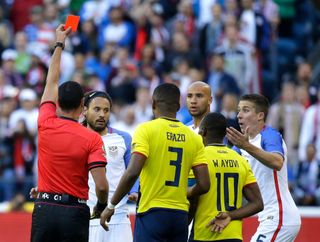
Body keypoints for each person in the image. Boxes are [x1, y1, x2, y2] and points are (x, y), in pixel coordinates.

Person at [100, 83, 211, 242]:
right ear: (179, 106)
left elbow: (132, 172)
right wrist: (184, 192)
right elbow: (204, 184)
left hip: (152, 212)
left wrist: (111, 205)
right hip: (179, 215)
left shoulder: (146, 130)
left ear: (153, 105)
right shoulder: (194, 137)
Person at [30, 25, 109, 242]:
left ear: (57, 103)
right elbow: (101, 186)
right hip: (74, 211)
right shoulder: (91, 138)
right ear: (83, 105)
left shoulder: (45, 121)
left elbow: (51, 81)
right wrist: (101, 205)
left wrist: (59, 43)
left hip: (44, 207)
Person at [226, 94, 301, 242]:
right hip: (268, 217)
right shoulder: (240, 146)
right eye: (239, 110)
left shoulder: (269, 135)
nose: (239, 115)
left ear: (260, 115)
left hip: (279, 217)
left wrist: (246, 146)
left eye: (245, 110)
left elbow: (277, 162)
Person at [190, 112, 263, 242]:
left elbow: (193, 199)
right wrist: (230, 215)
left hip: (204, 233)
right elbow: (257, 204)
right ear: (224, 134)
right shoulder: (240, 160)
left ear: (203, 132)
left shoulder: (199, 158)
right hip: (232, 235)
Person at [82, 90, 139, 242]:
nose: (102, 114)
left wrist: (134, 191)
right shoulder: (76, 138)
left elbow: (133, 170)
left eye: (106, 110)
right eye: (97, 109)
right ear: (84, 110)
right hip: (86, 218)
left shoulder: (123, 138)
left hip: (119, 217)